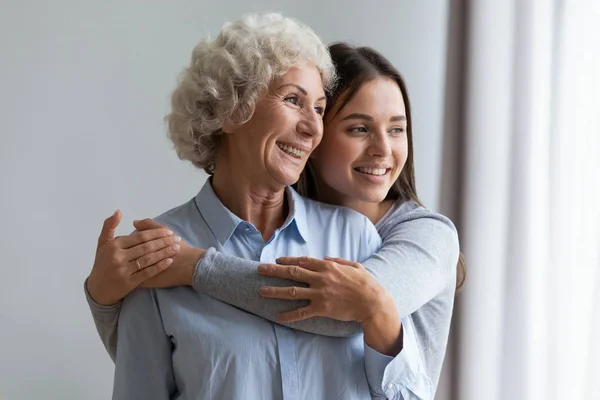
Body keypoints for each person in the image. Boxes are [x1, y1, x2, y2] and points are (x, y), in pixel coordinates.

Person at [87, 13, 432, 400]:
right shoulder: (158, 254)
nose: (313, 128)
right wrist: (100, 294)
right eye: (293, 100)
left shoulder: (354, 238)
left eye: (318, 108)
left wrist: (378, 312)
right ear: (231, 109)